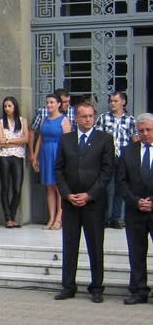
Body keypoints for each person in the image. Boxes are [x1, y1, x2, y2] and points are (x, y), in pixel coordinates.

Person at [53, 102, 114, 303]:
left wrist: (89, 194)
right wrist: (67, 194)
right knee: (70, 245)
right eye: (84, 116)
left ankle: (96, 287)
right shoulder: (66, 139)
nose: (88, 119)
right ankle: (68, 286)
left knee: (95, 245)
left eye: (91, 116)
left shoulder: (104, 139)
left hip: (93, 203)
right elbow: (59, 169)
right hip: (70, 202)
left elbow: (107, 171)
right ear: (76, 118)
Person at [115, 113, 153, 305]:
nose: (145, 134)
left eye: (149, 130)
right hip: (135, 211)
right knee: (137, 253)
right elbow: (121, 182)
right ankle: (139, 291)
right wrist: (136, 201)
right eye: (141, 131)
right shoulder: (128, 151)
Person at [94, 90, 137, 229]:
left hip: (123, 157)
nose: (112, 103)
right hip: (107, 156)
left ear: (123, 102)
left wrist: (134, 158)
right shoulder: (103, 118)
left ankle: (115, 218)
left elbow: (135, 140)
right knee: (105, 187)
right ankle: (104, 217)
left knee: (120, 188)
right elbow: (97, 138)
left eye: (115, 101)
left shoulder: (130, 120)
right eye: (111, 101)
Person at [31, 93, 71, 230]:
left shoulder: (64, 120)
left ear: (59, 104)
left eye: (52, 102)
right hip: (46, 153)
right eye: (47, 102)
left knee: (59, 186)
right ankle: (51, 217)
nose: (49, 105)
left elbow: (68, 141)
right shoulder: (43, 119)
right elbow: (40, 139)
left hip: (58, 153)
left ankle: (59, 218)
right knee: (49, 186)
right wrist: (35, 156)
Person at [0, 97, 28, 229]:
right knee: (5, 188)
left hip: (18, 156)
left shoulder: (22, 121)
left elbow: (26, 139)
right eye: (5, 106)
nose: (7, 108)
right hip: (4, 157)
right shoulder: (0, 122)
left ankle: (13, 216)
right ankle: (8, 218)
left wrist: (8, 141)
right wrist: (16, 141)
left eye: (9, 106)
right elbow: (0, 142)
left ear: (15, 106)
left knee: (17, 189)